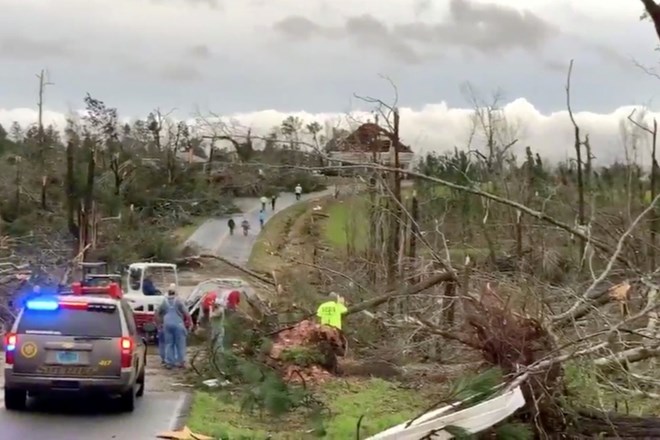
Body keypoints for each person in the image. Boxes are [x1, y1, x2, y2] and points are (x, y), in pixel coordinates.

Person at [155, 283, 192, 369]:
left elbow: (157, 313)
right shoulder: (178, 301)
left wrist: (159, 324)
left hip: (167, 324)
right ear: (175, 292)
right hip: (177, 323)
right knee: (180, 343)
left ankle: (169, 362)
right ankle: (180, 361)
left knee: (169, 343)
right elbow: (186, 313)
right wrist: (190, 322)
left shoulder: (164, 302)